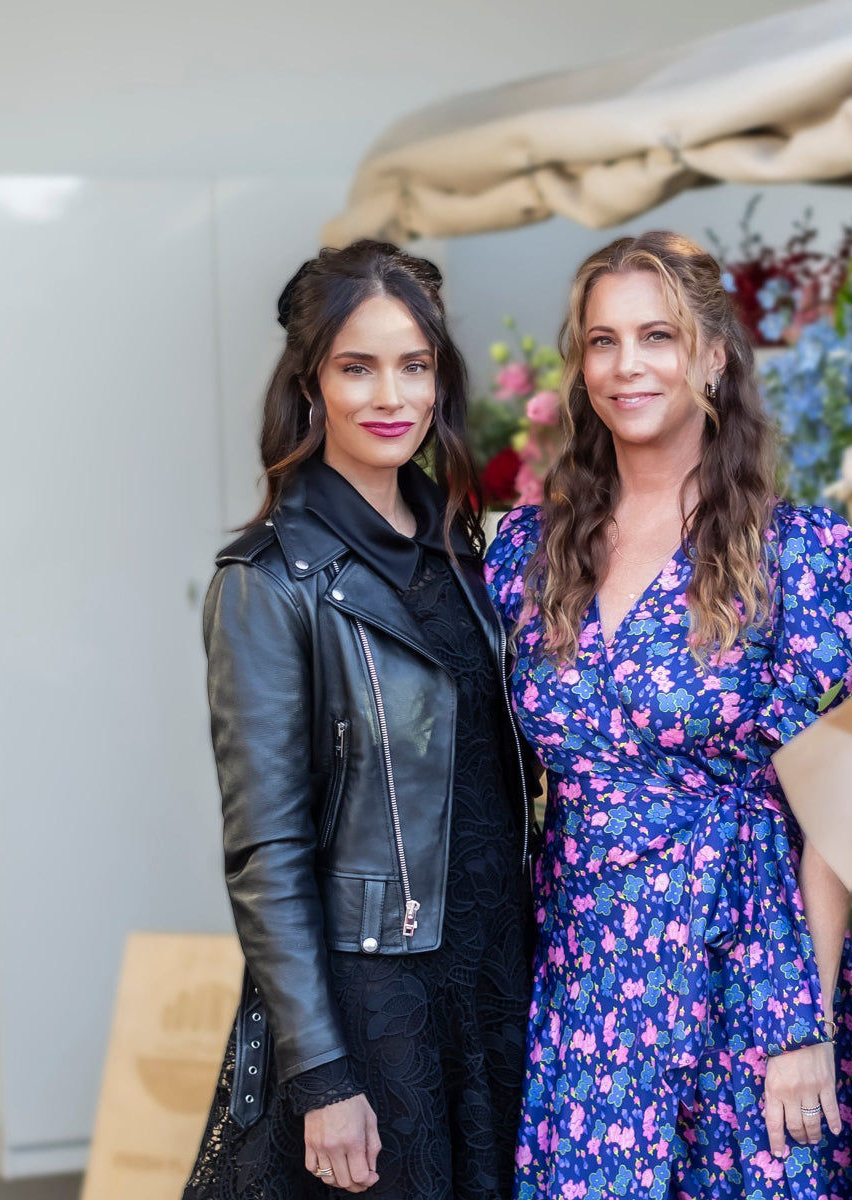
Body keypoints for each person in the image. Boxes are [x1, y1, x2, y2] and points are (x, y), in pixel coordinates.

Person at [485, 231, 852, 1199]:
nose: (628, 366)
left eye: (657, 337)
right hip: (587, 987)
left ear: (712, 355)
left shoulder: (803, 554)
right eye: (604, 341)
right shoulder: (525, 557)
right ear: (580, 367)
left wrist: (806, 1025)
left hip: (753, 983)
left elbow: (838, 814)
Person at [184, 240, 534, 1200]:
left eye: (413, 366)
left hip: (496, 983)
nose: (391, 395)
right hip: (376, 1003)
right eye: (357, 365)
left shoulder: (465, 559)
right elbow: (266, 848)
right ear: (312, 385)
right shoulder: (266, 582)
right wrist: (322, 1074)